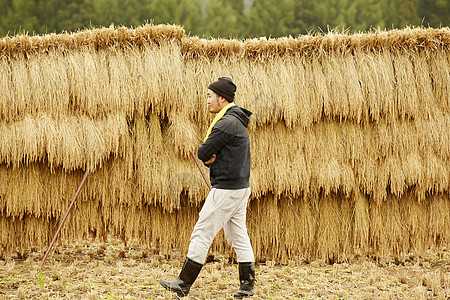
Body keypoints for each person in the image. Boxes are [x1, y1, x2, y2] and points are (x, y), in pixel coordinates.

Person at [160, 77, 255, 298]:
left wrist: (210, 157)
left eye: (209, 96)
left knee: (202, 231)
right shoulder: (236, 120)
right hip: (240, 187)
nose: (207, 101)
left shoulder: (225, 123)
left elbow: (203, 152)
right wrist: (214, 157)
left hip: (226, 189)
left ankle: (183, 283)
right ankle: (247, 286)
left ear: (222, 98)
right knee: (238, 235)